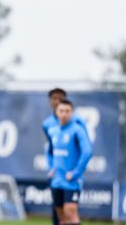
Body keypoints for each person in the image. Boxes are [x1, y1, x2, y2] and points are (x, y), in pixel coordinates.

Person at [41, 88, 87, 225]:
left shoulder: (77, 124)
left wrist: (76, 171)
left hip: (71, 176)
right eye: (54, 98)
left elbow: (85, 149)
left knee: (70, 211)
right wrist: (51, 167)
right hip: (57, 176)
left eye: (60, 98)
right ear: (51, 103)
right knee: (59, 212)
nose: (57, 101)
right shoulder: (48, 125)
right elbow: (50, 148)